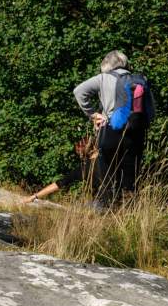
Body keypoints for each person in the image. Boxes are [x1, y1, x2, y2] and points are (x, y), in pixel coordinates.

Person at [66, 50, 155, 204]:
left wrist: (93, 114)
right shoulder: (141, 80)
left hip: (111, 131)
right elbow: (151, 112)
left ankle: (104, 207)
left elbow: (79, 91)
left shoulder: (103, 77)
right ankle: (129, 212)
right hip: (136, 134)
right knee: (130, 179)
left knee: (107, 173)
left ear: (107, 64)